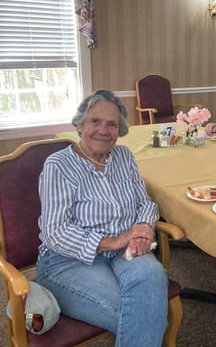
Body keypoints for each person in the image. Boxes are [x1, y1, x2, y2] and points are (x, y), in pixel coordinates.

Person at [37, 90, 168, 347]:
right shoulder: (58, 165)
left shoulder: (124, 157)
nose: (103, 130)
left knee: (153, 277)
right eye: (95, 121)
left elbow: (145, 202)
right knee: (144, 313)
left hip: (125, 251)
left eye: (112, 124)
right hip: (68, 262)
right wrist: (114, 241)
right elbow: (55, 232)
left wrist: (142, 228)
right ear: (80, 125)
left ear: (120, 130)